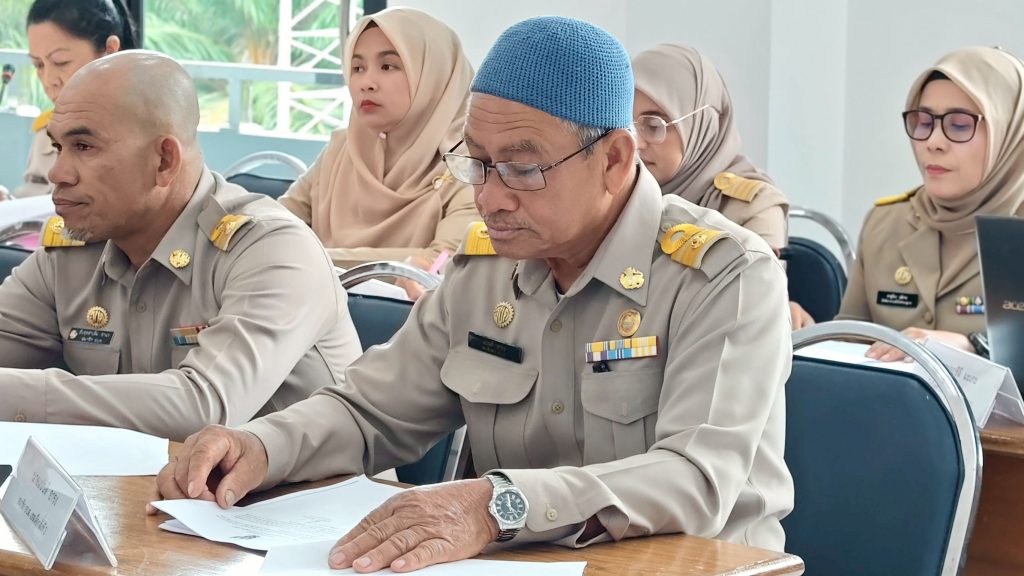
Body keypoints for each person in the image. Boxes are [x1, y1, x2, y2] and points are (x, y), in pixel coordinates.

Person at [153, 16, 793, 573]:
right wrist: (260, 445)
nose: (489, 197)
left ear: (615, 160)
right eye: (477, 163)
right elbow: (373, 410)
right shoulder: (489, 266)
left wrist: (497, 504)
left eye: (522, 168)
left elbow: (694, 477)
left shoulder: (724, 275)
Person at [0, 51, 363, 441]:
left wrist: (27, 396)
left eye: (84, 147)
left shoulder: (271, 249)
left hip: (302, 482)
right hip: (147, 480)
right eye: (58, 147)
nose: (57, 173)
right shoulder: (74, 248)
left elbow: (205, 408)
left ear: (164, 160)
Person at [838, 46, 1024, 361]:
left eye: (959, 125)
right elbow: (849, 341)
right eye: (924, 122)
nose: (933, 142)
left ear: (1009, 133)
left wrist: (973, 346)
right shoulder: (886, 224)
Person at [278, 8, 478, 291]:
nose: (366, 84)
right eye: (357, 68)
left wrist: (305, 258)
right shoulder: (342, 150)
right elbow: (273, 226)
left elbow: (439, 263)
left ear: (434, 75)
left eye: (387, 66)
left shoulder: (472, 167)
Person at [631, 45, 812, 328]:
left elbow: (746, 307)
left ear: (704, 123)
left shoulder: (752, 206)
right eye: (627, 125)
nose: (636, 142)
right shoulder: (616, 195)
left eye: (654, 125)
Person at [5, 0, 137, 201]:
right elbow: (34, 205)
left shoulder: (141, 135)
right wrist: (9, 204)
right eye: (39, 65)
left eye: (61, 62)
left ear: (109, 52)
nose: (48, 80)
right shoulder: (46, 133)